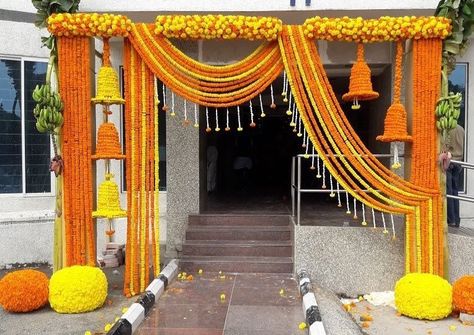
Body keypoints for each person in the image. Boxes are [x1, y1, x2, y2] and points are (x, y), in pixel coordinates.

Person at [446, 124, 465, 227]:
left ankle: (451, 219)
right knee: (455, 191)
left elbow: (446, 145)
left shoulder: (448, 129)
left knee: (448, 191)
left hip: (450, 162)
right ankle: (457, 219)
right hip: (458, 162)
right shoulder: (461, 129)